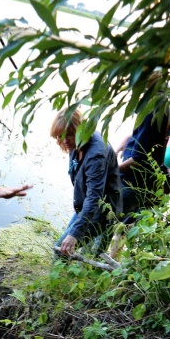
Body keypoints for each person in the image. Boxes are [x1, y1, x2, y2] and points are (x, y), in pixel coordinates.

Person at [50, 110, 122, 256]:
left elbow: (94, 197)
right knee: (76, 253)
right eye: (60, 136)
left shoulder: (96, 155)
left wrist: (75, 234)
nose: (64, 141)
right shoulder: (77, 142)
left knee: (63, 252)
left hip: (103, 214)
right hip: (86, 208)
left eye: (69, 135)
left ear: (80, 129)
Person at [116, 101, 170, 215]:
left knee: (101, 226)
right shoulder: (162, 102)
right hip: (136, 183)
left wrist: (112, 170)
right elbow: (146, 137)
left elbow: (139, 159)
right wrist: (128, 141)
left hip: (131, 183)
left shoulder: (153, 106)